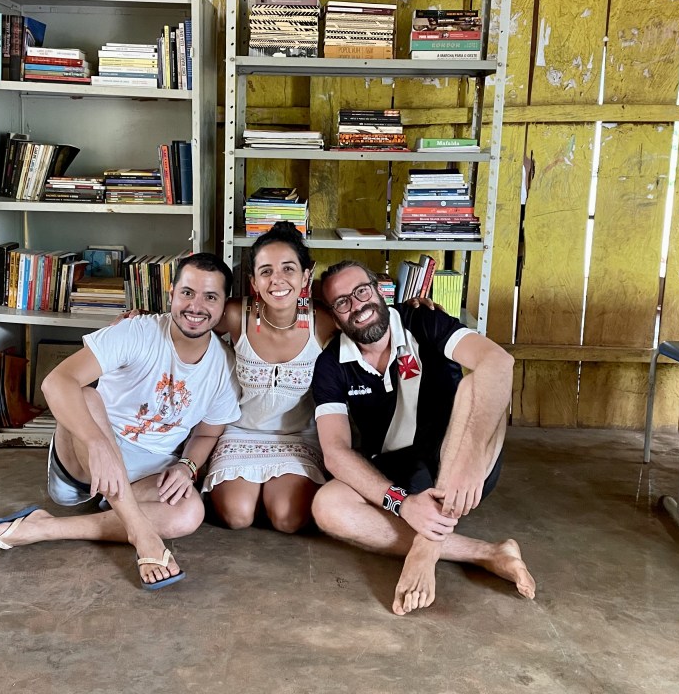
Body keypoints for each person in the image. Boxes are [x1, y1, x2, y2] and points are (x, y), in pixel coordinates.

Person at [0, 253, 241, 591]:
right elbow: (56, 382)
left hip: (146, 475)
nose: (196, 306)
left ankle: (43, 528)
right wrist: (97, 444)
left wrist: (187, 467)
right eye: (187, 292)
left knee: (190, 514)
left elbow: (208, 433)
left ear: (224, 305)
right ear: (171, 293)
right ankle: (142, 535)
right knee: (87, 396)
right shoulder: (136, 331)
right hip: (86, 459)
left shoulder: (223, 365)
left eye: (210, 297)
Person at [310, 260, 536, 615]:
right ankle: (485, 552)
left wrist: (466, 463)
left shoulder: (422, 319)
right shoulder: (330, 363)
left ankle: (427, 548)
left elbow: (499, 363)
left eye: (362, 291)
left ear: (380, 291)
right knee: (326, 506)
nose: (357, 305)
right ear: (335, 318)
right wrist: (402, 504)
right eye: (342, 302)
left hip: (465, 465)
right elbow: (335, 452)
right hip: (401, 471)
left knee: (476, 385)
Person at [200, 221, 339, 533]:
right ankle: (251, 494)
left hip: (297, 437)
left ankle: (272, 495)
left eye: (288, 269)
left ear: (306, 276)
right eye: (266, 271)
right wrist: (141, 319)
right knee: (237, 516)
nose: (277, 280)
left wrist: (418, 309)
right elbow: (190, 321)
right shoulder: (236, 315)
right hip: (239, 433)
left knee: (287, 519)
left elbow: (369, 323)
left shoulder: (323, 321)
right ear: (254, 281)